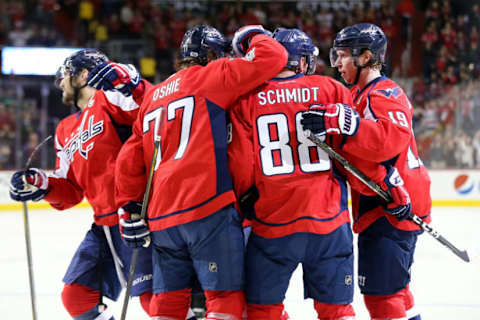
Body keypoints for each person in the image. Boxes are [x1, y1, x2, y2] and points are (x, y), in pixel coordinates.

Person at [114, 25, 288, 320]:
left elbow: (128, 160)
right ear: (210, 54)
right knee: (224, 299)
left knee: (168, 302)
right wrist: (251, 35)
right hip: (207, 208)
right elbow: (274, 56)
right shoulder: (212, 75)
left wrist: (129, 208)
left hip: (161, 218)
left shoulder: (153, 97)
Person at [9, 49, 163, 320]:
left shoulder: (110, 97)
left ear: (82, 75)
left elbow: (152, 109)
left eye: (64, 76)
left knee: (156, 301)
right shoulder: (64, 129)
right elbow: (70, 191)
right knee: (77, 297)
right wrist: (39, 184)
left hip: (135, 216)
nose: (60, 83)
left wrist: (131, 81)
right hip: (103, 226)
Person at [301, 23, 431, 320]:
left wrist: (346, 125)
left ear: (366, 57)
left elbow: (390, 139)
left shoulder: (384, 92)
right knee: (396, 291)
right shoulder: (362, 93)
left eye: (344, 55)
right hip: (388, 201)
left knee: (381, 298)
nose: (337, 64)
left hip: (394, 203)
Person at [227, 27, 357, 320]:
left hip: (273, 222)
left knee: (263, 309)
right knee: (337, 310)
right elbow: (354, 153)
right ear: (301, 62)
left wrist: (247, 200)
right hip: (329, 220)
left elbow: (240, 163)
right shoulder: (332, 89)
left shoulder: (246, 98)